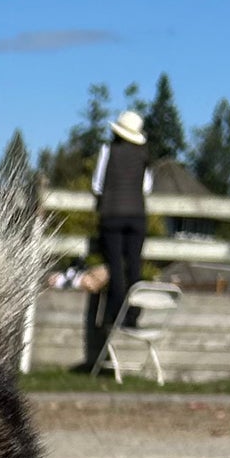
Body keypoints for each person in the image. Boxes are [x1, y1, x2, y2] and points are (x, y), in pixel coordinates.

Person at [92, 109, 152, 328]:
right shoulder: (143, 155)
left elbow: (97, 184)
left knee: (116, 265)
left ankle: (118, 313)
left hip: (112, 213)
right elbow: (146, 186)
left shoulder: (108, 151)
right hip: (137, 215)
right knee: (134, 265)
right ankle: (134, 313)